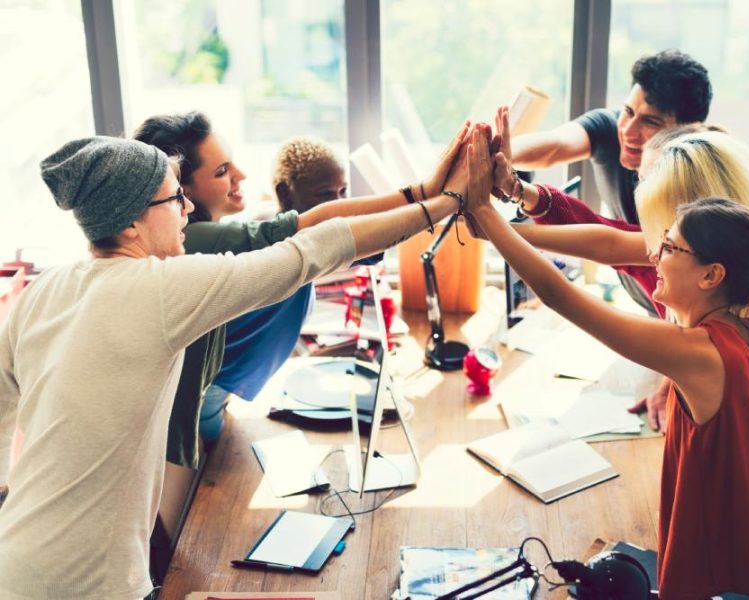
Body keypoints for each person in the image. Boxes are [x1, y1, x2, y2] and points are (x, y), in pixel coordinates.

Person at [0, 128, 468, 599]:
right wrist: (446, 204)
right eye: (173, 199)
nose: (186, 209)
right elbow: (312, 251)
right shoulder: (160, 289)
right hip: (87, 588)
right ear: (130, 225)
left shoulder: (44, 290)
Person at [464, 124, 749, 598]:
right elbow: (609, 243)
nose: (652, 253)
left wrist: (487, 215)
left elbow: (559, 293)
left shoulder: (703, 351)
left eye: (666, 245)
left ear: (712, 273)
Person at [133, 113, 430, 458]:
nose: (240, 175)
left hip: (211, 401)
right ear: (179, 188)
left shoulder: (211, 237)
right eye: (221, 171)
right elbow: (317, 234)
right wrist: (430, 198)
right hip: (193, 416)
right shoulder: (195, 241)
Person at [506, 49, 712, 315]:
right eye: (628, 111)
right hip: (651, 308)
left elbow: (612, 244)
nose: (627, 131)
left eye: (650, 122)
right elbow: (555, 145)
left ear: (689, 131)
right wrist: (501, 153)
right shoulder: (612, 127)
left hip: (688, 321)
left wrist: (494, 227)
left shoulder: (701, 194)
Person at [199, 135, 356, 441]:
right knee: (221, 470)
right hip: (208, 396)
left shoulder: (273, 222)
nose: (339, 204)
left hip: (226, 389)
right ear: (285, 192)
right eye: (326, 194)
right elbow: (363, 245)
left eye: (344, 192)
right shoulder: (283, 241)